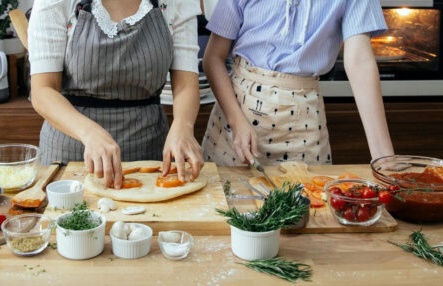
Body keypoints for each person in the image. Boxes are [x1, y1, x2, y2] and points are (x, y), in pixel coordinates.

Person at [28, 0, 204, 188]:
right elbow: (43, 90)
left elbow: (186, 85)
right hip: (71, 155)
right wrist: (89, 133)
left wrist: (183, 126)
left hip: (148, 151)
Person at [201, 0, 394, 166]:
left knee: (309, 205)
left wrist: (384, 159)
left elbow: (359, 62)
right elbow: (213, 58)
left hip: (304, 122)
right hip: (236, 116)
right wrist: (237, 123)